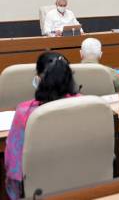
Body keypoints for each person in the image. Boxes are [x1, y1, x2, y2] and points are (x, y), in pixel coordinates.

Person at [4, 52, 79, 199]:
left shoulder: (24, 113)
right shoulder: (86, 104)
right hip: (85, 184)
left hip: (39, 191)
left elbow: (13, 167)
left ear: (38, 78)